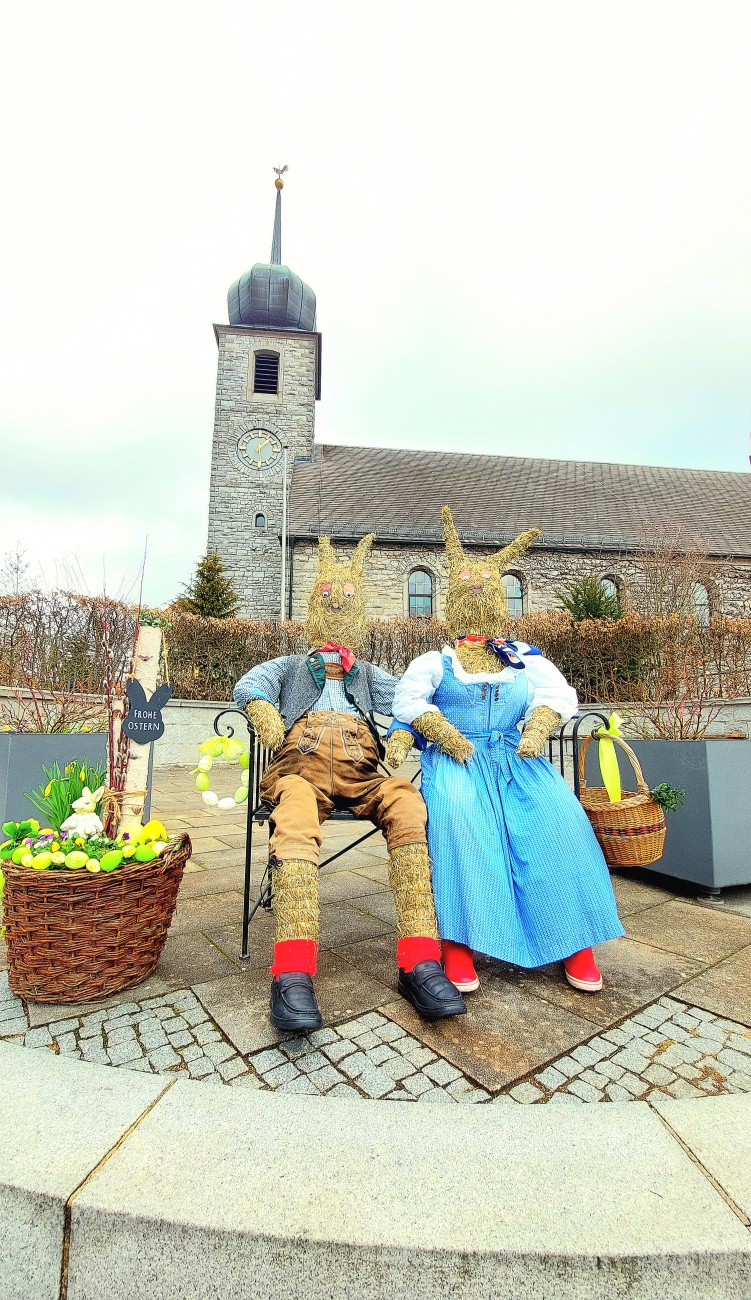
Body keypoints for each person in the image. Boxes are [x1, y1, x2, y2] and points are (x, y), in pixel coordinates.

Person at [233, 532, 466, 1033]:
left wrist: (405, 733)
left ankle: (419, 960)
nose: (337, 608)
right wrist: (264, 713)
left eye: (347, 603)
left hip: (363, 774)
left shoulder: (367, 674)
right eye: (328, 601)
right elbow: (249, 684)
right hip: (300, 770)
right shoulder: (291, 666)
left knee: (406, 802)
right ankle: (292, 969)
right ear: (314, 608)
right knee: (293, 811)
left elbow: (409, 700)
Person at [386, 507, 624, 994]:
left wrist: (536, 732)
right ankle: (459, 943)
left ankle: (574, 939)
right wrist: (445, 734)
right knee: (459, 820)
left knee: (558, 816)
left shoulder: (523, 656)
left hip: (517, 756)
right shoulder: (436, 660)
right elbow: (409, 703)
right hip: (459, 759)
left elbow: (555, 697)